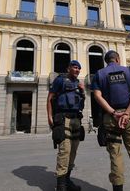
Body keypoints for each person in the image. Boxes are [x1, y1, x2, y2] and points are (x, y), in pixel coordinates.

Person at [91, 50, 130, 191]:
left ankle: (118, 189)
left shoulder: (99, 74)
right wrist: (127, 113)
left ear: (107, 61)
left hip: (110, 118)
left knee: (115, 155)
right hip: (128, 117)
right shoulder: (128, 72)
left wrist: (113, 112)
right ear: (117, 59)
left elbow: (97, 96)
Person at [47, 60, 85, 191]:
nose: (77, 70)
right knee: (65, 151)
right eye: (75, 67)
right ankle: (61, 186)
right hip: (64, 119)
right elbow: (50, 98)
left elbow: (81, 104)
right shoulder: (60, 80)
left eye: (79, 68)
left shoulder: (78, 84)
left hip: (76, 120)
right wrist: (49, 116)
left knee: (73, 152)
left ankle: (67, 180)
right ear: (68, 68)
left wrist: (83, 92)